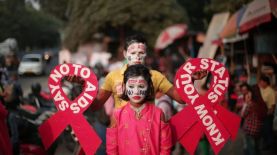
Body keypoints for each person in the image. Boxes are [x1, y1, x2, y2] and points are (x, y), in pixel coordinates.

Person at [89, 34, 207, 110]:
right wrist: (84, 86)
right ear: (125, 54)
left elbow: (180, 98)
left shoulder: (155, 76)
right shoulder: (113, 77)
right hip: (124, 137)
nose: (137, 57)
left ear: (146, 54)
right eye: (133, 53)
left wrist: (190, 79)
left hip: (148, 137)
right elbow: (97, 105)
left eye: (141, 53)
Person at [106, 64, 172, 154]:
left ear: (149, 87)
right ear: (124, 87)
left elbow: (165, 148)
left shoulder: (158, 114)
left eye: (141, 86)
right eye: (131, 86)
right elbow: (112, 149)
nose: (136, 91)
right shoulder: (117, 115)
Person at [240, 83, 263, 155]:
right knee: (257, 148)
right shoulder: (260, 103)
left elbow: (242, 114)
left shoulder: (250, 104)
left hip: (250, 130)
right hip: (258, 129)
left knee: (251, 149)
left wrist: (246, 103)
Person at [258, 75, 276, 150]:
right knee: (263, 131)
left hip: (267, 114)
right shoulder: (261, 89)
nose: (260, 84)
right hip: (261, 114)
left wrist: (268, 114)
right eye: (260, 82)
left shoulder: (271, 91)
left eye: (262, 82)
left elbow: (272, 106)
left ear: (266, 82)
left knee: (268, 131)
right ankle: (266, 144)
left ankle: (271, 147)